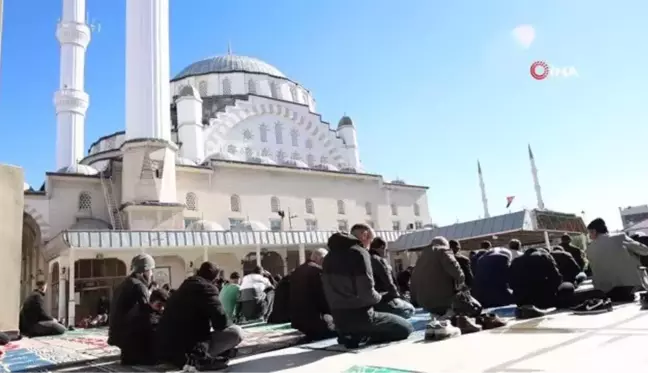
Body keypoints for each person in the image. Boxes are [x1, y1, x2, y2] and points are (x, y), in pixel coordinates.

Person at [322, 224, 413, 348]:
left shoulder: (328, 257)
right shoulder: (360, 253)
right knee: (406, 327)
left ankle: (352, 334)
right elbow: (367, 295)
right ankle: (363, 334)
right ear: (364, 235)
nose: (370, 244)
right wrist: (381, 297)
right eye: (371, 240)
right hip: (362, 316)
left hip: (339, 318)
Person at [156, 262, 243, 372]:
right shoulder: (208, 289)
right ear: (215, 278)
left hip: (167, 348)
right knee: (236, 332)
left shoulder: (183, 287)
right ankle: (198, 359)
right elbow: (221, 323)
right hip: (189, 349)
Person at [411, 236, 464, 339]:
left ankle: (434, 323)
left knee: (436, 310)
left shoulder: (422, 256)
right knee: (461, 306)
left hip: (424, 301)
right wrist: (461, 286)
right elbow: (457, 272)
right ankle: (444, 323)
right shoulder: (443, 250)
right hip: (443, 298)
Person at [587, 218, 648, 302]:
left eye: (589, 233)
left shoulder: (589, 247)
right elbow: (645, 251)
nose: (589, 236)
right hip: (631, 287)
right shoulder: (620, 237)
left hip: (604, 290)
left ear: (594, 231)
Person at [108, 254, 155, 362]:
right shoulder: (139, 286)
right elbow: (148, 313)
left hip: (117, 336)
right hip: (129, 337)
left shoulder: (124, 284)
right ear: (145, 271)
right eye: (151, 271)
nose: (152, 274)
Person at [290, 248, 336, 341]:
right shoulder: (317, 271)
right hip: (314, 319)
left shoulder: (297, 271)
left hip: (298, 319)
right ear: (321, 259)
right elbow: (322, 297)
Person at [509, 247, 569, 315]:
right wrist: (551, 291)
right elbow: (556, 277)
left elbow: (511, 282)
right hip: (544, 299)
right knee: (567, 286)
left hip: (523, 301)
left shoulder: (515, 261)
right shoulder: (544, 257)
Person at [369, 238, 415, 318]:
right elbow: (389, 283)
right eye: (386, 250)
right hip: (381, 299)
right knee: (410, 309)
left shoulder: (364, 258)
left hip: (368, 301)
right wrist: (399, 297)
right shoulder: (378, 260)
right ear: (382, 247)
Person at [121, 289, 169, 365]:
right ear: (151, 302)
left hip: (129, 355)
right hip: (138, 356)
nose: (162, 308)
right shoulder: (145, 315)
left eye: (164, 306)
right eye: (159, 305)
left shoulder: (142, 308)